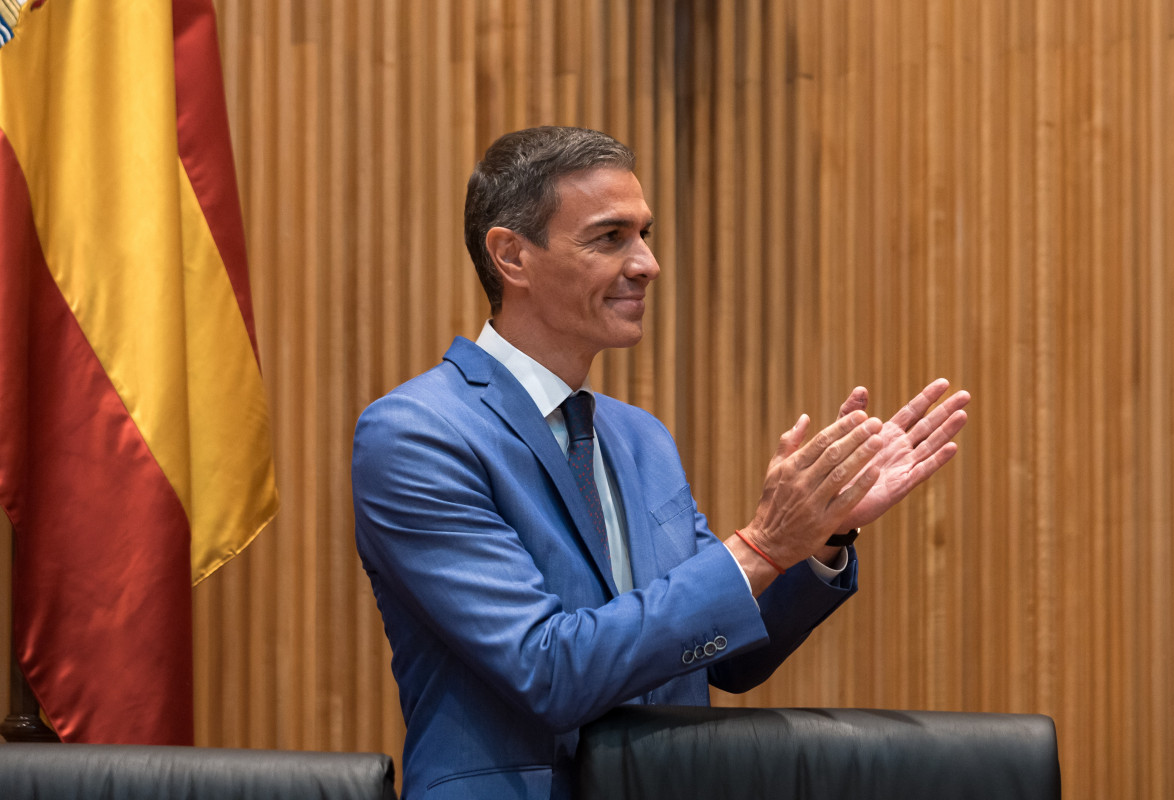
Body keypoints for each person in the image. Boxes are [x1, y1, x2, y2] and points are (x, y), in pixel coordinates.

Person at [352, 126, 969, 800]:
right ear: (512, 256)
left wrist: (816, 537)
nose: (646, 263)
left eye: (644, 234)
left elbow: (729, 655)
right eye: (610, 237)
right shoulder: (416, 433)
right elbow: (548, 670)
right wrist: (760, 545)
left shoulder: (639, 437)